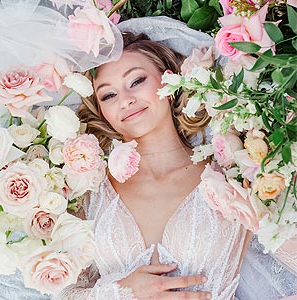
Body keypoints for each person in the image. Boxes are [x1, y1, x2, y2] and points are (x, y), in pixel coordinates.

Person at [54, 22, 251, 299]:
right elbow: (62, 290)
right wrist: (117, 292)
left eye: (136, 81)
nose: (126, 100)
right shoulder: (88, 192)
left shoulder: (232, 175)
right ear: (102, 112)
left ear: (169, 82)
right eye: (109, 95)